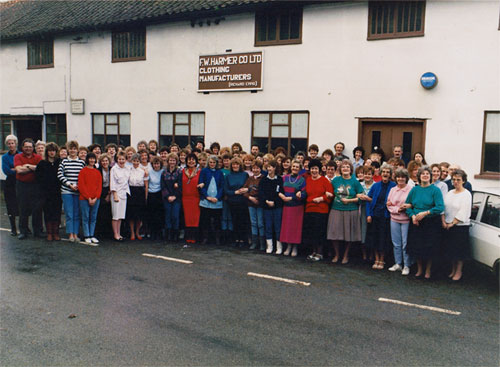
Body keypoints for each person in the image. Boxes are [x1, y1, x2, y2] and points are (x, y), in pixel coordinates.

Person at [405, 166, 445, 279]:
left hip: (431, 223)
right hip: (417, 223)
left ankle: (428, 270)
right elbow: (407, 205)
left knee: (429, 248)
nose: (425, 175)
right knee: (417, 246)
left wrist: (426, 213)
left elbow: (440, 207)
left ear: (431, 176)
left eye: (427, 173)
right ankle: (419, 269)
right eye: (423, 174)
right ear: (419, 176)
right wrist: (412, 216)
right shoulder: (414, 190)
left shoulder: (435, 190)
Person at [327, 159, 364, 264]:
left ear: (351, 169)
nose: (345, 169)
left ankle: (346, 255)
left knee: (349, 235)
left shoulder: (355, 182)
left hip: (351, 210)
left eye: (347, 167)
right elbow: (330, 192)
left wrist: (349, 200)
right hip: (336, 209)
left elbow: (361, 197)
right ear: (340, 169)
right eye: (343, 167)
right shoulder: (335, 181)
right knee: (334, 233)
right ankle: (337, 254)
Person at [442, 169, 472, 281]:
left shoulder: (466, 194)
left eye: (458, 180)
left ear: (463, 181)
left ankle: (459, 271)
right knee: (451, 250)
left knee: (459, 251)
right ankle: (453, 269)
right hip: (448, 225)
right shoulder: (450, 193)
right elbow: (444, 208)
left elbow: (464, 211)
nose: (455, 182)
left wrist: (453, 223)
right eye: (453, 179)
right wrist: (444, 221)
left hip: (459, 226)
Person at [366, 163, 396, 270]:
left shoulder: (393, 186)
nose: (385, 174)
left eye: (388, 172)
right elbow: (368, 200)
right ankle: (376, 259)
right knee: (374, 237)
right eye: (384, 172)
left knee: (383, 238)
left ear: (391, 174)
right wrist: (369, 214)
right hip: (375, 215)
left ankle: (382, 259)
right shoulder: (375, 185)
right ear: (381, 173)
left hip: (386, 216)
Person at [304, 159, 333, 261]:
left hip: (321, 210)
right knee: (311, 232)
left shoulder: (325, 181)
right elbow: (304, 192)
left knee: (319, 232)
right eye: (312, 169)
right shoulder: (307, 180)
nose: (314, 171)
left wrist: (321, 198)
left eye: (316, 169)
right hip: (309, 209)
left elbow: (330, 195)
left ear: (320, 170)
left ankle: (320, 253)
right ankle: (313, 252)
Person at [386, 168, 412, 275]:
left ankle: (406, 265)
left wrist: (405, 207)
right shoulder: (393, 189)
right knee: (396, 243)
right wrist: (398, 209)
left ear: (406, 178)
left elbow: (412, 204)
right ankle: (398, 263)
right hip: (394, 219)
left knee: (405, 243)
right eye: (398, 177)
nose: (400, 179)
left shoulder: (411, 189)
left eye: (403, 177)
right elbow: (388, 204)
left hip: (406, 220)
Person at [58, 141, 85, 242]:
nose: (72, 150)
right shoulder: (64, 162)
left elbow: (84, 176)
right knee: (69, 213)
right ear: (68, 150)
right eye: (71, 148)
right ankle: (70, 234)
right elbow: (60, 175)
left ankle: (76, 233)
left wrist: (78, 186)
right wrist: (70, 184)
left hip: (78, 191)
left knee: (77, 213)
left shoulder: (81, 162)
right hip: (67, 191)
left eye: (74, 149)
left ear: (77, 150)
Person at [279, 159, 306, 257]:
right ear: (291, 167)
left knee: (295, 228)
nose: (295, 168)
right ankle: (288, 246)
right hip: (286, 206)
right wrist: (282, 196)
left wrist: (293, 197)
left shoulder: (302, 180)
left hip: (297, 207)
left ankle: (295, 247)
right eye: (293, 166)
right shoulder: (285, 178)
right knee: (288, 227)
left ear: (300, 169)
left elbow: (304, 193)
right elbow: (279, 189)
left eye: (297, 167)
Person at [35, 142, 62, 241]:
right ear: (47, 152)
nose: (52, 153)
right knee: (47, 212)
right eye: (50, 151)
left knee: (57, 212)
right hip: (46, 193)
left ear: (56, 152)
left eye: (53, 151)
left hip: (57, 192)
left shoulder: (60, 162)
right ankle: (49, 233)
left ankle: (56, 233)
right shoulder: (42, 163)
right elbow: (38, 178)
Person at [258, 160, 284, 254]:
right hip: (267, 206)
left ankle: (279, 247)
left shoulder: (279, 179)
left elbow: (281, 192)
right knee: (268, 226)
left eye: (271, 167)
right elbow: (261, 193)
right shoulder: (264, 180)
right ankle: (269, 246)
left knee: (278, 227)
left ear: (275, 168)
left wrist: (275, 202)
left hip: (277, 207)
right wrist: (266, 201)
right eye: (268, 167)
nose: (269, 169)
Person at [198, 155, 224, 245]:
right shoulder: (204, 171)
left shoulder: (219, 172)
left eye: (214, 162)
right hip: (206, 201)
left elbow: (221, 186)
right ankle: (205, 238)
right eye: (210, 162)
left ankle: (217, 239)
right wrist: (207, 196)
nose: (212, 164)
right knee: (205, 220)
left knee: (217, 220)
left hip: (217, 201)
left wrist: (217, 197)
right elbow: (201, 184)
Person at [224, 157, 249, 247]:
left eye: (237, 164)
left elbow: (249, 186)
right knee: (234, 221)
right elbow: (226, 190)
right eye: (233, 164)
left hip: (243, 201)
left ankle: (243, 239)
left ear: (240, 165)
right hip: (232, 202)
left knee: (243, 221)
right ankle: (236, 239)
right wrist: (235, 192)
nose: (235, 166)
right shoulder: (228, 176)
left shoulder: (244, 174)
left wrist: (245, 190)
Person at [78, 153, 102, 244]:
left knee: (93, 217)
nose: (92, 160)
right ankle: (86, 235)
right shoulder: (83, 171)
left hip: (96, 198)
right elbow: (81, 185)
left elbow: (99, 186)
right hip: (84, 198)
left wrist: (96, 197)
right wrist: (88, 198)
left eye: (93, 159)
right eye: (90, 159)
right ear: (87, 160)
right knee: (85, 217)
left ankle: (92, 234)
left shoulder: (97, 172)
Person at [243, 160, 265, 250]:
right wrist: (250, 198)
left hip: (260, 204)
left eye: (257, 168)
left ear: (260, 169)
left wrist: (258, 199)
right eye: (254, 168)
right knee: (253, 223)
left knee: (260, 223)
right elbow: (244, 191)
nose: (255, 170)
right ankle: (254, 242)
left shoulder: (263, 178)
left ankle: (262, 243)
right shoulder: (249, 179)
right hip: (250, 203)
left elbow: (264, 191)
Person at [161, 153, 183, 242]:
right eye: (170, 160)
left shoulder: (179, 172)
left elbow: (181, 186)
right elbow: (163, 186)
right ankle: (168, 235)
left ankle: (175, 235)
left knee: (175, 216)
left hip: (176, 198)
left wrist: (174, 196)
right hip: (167, 198)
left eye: (174, 160)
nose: (172, 162)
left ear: (176, 161)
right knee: (168, 216)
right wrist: (168, 196)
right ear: (168, 161)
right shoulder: (164, 172)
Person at [127, 153, 149, 240]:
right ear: (132, 161)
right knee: (131, 215)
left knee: (139, 215)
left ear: (140, 161)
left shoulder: (143, 171)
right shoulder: (128, 170)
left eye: (137, 161)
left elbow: (146, 185)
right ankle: (132, 233)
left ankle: (137, 232)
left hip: (140, 193)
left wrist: (146, 196)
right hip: (131, 192)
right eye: (134, 161)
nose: (136, 162)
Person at [110, 151, 130, 241]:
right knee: (115, 216)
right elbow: (112, 182)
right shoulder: (114, 169)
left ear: (126, 160)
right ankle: (115, 234)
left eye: (123, 159)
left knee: (121, 216)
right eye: (119, 159)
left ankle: (119, 233)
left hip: (124, 194)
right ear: (117, 160)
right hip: (116, 194)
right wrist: (114, 195)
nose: (121, 161)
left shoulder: (127, 168)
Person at [182, 153, 202, 244]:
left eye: (193, 159)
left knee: (195, 218)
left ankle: (195, 236)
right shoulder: (182, 171)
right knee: (187, 218)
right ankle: (188, 236)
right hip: (185, 198)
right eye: (189, 160)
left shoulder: (200, 172)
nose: (191, 161)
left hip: (196, 198)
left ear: (196, 161)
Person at [2, 135, 20, 236]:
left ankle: (24, 227)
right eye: (9, 143)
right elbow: (6, 171)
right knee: (10, 205)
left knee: (22, 204)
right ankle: (13, 228)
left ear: (16, 144)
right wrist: (18, 169)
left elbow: (24, 167)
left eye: (12, 143)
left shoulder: (21, 154)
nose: (11, 145)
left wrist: (15, 168)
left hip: (20, 182)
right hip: (9, 183)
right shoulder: (5, 157)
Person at [146, 156, 164, 240]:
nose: (156, 165)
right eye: (154, 164)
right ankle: (152, 232)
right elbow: (147, 184)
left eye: (157, 164)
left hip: (159, 194)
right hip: (151, 194)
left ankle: (159, 232)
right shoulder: (149, 172)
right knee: (152, 214)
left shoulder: (163, 171)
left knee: (159, 215)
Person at [96, 154, 112, 238]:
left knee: (109, 212)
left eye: (106, 161)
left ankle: (108, 232)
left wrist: (109, 194)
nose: (105, 162)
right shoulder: (98, 170)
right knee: (101, 212)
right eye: (103, 161)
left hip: (110, 191)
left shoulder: (112, 170)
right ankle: (100, 232)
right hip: (100, 192)